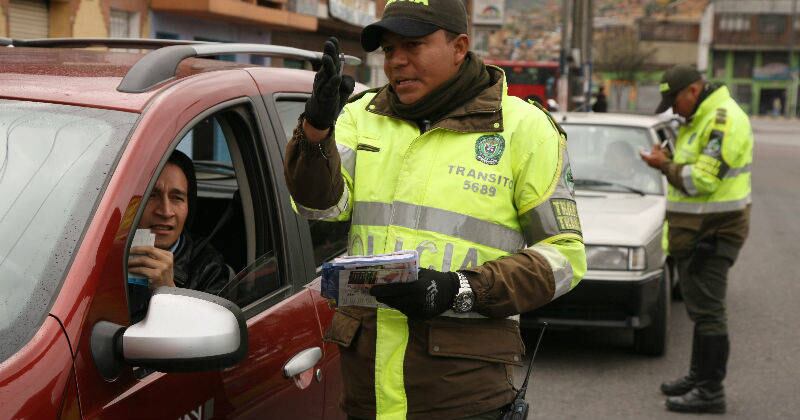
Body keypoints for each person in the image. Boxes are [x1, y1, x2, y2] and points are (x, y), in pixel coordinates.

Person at [284, 0, 586, 418]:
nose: (397, 62)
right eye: (389, 50)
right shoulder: (358, 116)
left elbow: (565, 258)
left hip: (462, 397)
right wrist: (315, 132)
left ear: (459, 47)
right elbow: (320, 207)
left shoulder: (525, 129)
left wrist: (458, 289)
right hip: (365, 393)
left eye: (413, 45)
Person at [640, 65, 752, 414]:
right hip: (698, 232)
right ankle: (697, 376)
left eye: (675, 100)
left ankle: (710, 390)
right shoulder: (699, 118)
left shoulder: (722, 120)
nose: (674, 108)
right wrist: (670, 160)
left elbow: (701, 180)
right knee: (700, 311)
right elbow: (694, 169)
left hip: (714, 232)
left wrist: (663, 166)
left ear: (693, 90)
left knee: (710, 314)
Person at [127, 150, 231, 321]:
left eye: (177, 198)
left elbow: (204, 341)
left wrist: (168, 293)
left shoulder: (209, 268)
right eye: (152, 196)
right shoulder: (101, 252)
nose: (165, 211)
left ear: (189, 206)